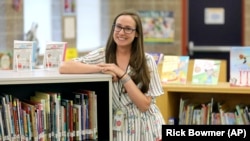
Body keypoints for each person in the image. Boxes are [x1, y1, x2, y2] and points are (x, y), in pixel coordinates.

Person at [59, 9, 165, 141]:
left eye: (128, 29)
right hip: (119, 128)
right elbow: (64, 67)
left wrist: (122, 74)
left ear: (136, 33)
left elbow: (144, 105)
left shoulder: (147, 61)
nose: (121, 32)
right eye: (118, 27)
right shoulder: (102, 55)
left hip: (149, 128)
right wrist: (101, 68)